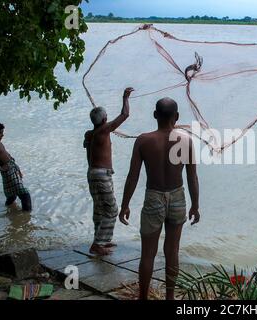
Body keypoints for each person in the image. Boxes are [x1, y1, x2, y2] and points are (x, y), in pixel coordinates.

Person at [119, 97, 200, 300]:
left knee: (148, 253)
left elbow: (133, 175)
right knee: (172, 251)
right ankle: (170, 297)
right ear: (177, 117)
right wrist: (195, 205)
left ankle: (143, 297)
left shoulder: (143, 140)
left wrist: (125, 204)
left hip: (154, 196)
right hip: (178, 196)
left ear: (155, 115)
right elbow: (192, 177)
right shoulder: (186, 141)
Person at [83, 88, 134, 256]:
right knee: (111, 210)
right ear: (104, 119)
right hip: (100, 175)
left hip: (94, 174)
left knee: (99, 209)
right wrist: (125, 97)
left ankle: (102, 239)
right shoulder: (104, 130)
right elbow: (125, 115)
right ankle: (98, 244)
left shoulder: (89, 133)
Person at [0, 123, 32, 212]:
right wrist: (0, 168)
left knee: (11, 194)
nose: (2, 135)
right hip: (7, 171)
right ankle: (26, 215)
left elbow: (8, 155)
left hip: (12, 168)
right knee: (24, 194)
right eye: (0, 133)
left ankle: (8, 209)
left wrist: (17, 169)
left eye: (2, 132)